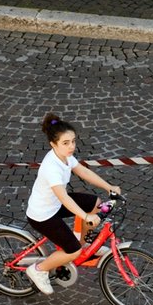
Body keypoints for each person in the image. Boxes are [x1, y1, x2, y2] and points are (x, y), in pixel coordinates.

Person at [25, 113, 121, 295]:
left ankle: (82, 244)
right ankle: (38, 270)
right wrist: (86, 217)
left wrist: (109, 187)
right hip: (43, 214)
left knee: (95, 203)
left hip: (54, 205)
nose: (71, 147)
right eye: (66, 143)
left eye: (73, 141)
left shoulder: (65, 156)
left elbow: (83, 171)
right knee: (72, 252)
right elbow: (64, 198)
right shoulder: (51, 167)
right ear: (53, 144)